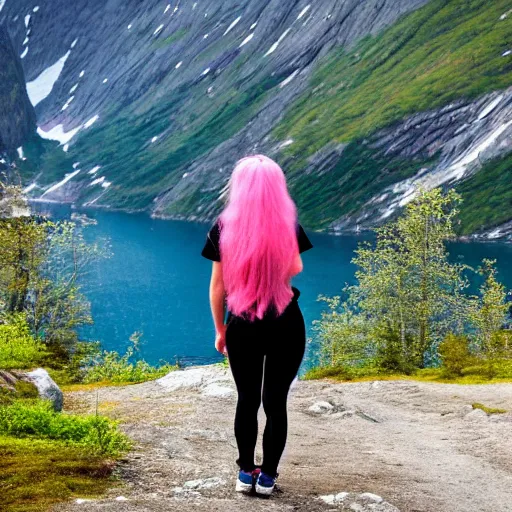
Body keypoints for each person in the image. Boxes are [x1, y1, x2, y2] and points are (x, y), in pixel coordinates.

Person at [200, 154, 313, 497]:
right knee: (275, 402)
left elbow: (218, 286)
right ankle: (268, 478)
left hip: (242, 322)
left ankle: (245, 472)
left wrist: (220, 329)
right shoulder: (288, 225)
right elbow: (295, 267)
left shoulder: (223, 227)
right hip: (285, 321)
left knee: (247, 399)